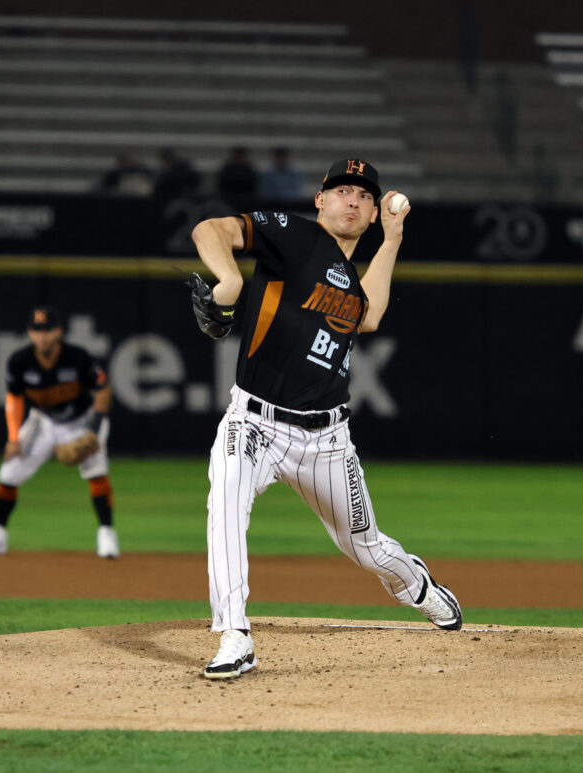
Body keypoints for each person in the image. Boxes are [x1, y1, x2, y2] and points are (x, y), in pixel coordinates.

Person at [188, 158, 462, 680]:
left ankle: (418, 586)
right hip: (254, 424)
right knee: (224, 505)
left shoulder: (346, 277)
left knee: (366, 546)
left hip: (328, 440)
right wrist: (228, 277)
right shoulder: (292, 235)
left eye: (363, 194)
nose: (352, 200)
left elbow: (371, 313)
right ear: (320, 199)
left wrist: (394, 238)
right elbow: (211, 228)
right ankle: (234, 635)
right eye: (341, 190)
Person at [0, 306, 119, 559]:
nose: (42, 336)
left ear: (59, 332)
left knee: (96, 471)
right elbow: (14, 399)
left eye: (48, 330)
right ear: (30, 332)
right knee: (8, 473)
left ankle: (107, 534)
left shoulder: (78, 358)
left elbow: (103, 391)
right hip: (44, 422)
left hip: (81, 421)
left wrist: (93, 432)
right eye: (37, 330)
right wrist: (13, 438)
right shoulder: (20, 362)